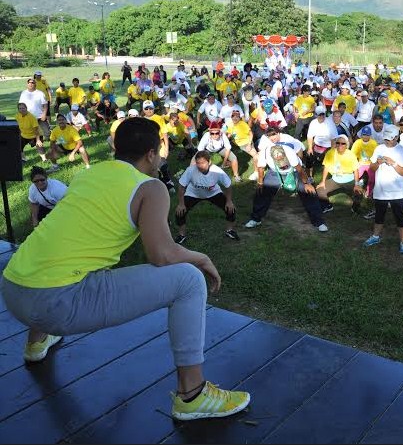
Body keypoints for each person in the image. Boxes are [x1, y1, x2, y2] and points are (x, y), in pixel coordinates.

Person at [0, 117, 251, 421]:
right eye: (160, 149)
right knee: (188, 279)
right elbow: (162, 255)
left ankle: (36, 342)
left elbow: (61, 237)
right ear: (150, 153)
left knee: (60, 255)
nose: (161, 155)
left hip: (13, 289)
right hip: (57, 304)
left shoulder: (87, 175)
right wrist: (201, 258)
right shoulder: (151, 187)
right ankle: (193, 394)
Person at [244, 128, 328, 232]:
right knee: (261, 193)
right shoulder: (265, 151)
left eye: (280, 156)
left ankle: (319, 222)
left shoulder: (288, 150)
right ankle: (256, 219)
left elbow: (299, 168)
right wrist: (260, 183)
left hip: (294, 171)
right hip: (274, 173)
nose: (279, 157)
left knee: (309, 193)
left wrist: (306, 183)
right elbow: (261, 168)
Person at [362, 125, 403, 254]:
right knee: (379, 215)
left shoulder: (402, 151)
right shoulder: (379, 148)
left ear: (396, 137)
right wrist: (377, 163)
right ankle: (376, 236)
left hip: (397, 192)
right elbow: (371, 168)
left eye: (390, 140)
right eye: (386, 139)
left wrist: (393, 163)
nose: (388, 142)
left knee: (400, 217)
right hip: (381, 189)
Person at [174, 150, 239, 244]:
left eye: (203, 163)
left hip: (213, 193)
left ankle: (230, 231)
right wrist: (181, 204)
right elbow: (181, 186)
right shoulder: (191, 170)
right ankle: (182, 235)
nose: (200, 166)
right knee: (179, 212)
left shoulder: (217, 171)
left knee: (231, 209)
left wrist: (229, 201)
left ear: (209, 162)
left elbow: (228, 186)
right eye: (198, 163)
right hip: (193, 193)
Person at [316, 134, 363, 214]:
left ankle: (355, 208)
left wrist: (357, 184)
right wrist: (323, 181)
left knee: (359, 192)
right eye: (338, 143)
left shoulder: (351, 154)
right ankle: (327, 206)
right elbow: (326, 167)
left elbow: (356, 170)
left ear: (347, 145)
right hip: (335, 179)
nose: (340, 145)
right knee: (319, 190)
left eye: (343, 143)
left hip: (349, 179)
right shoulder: (330, 153)